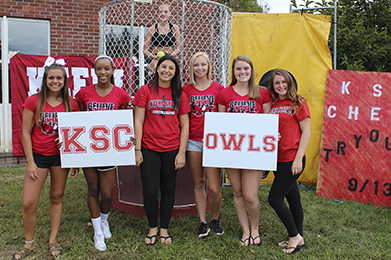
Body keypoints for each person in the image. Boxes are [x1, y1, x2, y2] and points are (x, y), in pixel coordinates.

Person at [14, 57, 79, 260]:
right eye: (51, 78)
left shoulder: (72, 103)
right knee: (28, 203)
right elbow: (25, 132)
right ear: (45, 79)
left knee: (56, 197)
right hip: (39, 157)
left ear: (64, 80)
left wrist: (73, 156)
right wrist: (31, 161)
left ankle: (53, 240)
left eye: (59, 78)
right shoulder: (33, 101)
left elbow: (75, 132)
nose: (55, 81)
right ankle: (29, 243)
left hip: (60, 158)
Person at [75, 55, 131, 251]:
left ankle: (104, 220)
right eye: (99, 69)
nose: (103, 72)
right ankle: (98, 232)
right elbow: (78, 119)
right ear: (95, 71)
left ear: (112, 70)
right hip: (90, 149)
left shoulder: (121, 95)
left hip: (108, 151)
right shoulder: (83, 93)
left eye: (107, 69)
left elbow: (123, 119)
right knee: (93, 189)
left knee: (107, 194)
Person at [133, 54, 189, 245]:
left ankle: (164, 228)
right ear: (156, 69)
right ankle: (152, 227)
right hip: (148, 148)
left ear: (175, 73)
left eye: (171, 68)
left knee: (168, 189)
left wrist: (181, 152)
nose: (166, 71)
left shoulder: (180, 94)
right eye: (163, 67)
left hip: (171, 148)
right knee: (149, 190)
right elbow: (138, 121)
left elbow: (185, 126)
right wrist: (137, 149)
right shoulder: (145, 91)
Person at [217, 55, 272, 246]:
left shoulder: (262, 93)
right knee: (238, 192)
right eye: (238, 69)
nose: (242, 72)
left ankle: (255, 228)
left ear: (251, 71)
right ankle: (245, 230)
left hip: (254, 152)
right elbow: (221, 124)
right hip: (233, 150)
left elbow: (268, 122)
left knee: (250, 195)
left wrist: (272, 136)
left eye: (246, 69)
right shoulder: (225, 93)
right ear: (233, 72)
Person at [268, 69, 311, 255]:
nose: (281, 86)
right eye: (277, 83)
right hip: (277, 159)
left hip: (292, 158)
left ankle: (294, 235)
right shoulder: (272, 104)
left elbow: (307, 132)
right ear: (273, 86)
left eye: (284, 82)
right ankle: (298, 237)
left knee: (274, 199)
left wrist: (298, 159)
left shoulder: (298, 102)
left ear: (290, 83)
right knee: (293, 199)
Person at [182, 52, 224, 238]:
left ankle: (215, 218)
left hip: (213, 142)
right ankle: (203, 222)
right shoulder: (186, 90)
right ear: (191, 68)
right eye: (196, 65)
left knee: (214, 187)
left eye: (203, 64)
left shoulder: (219, 89)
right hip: (194, 141)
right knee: (199, 182)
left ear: (209, 66)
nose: (200, 68)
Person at [144, 4, 181, 74]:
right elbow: (145, 50)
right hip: (156, 58)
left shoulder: (174, 28)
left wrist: (170, 56)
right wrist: (154, 56)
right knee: (157, 68)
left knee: (172, 70)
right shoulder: (151, 29)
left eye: (166, 12)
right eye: (161, 12)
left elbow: (178, 48)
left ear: (170, 14)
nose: (163, 14)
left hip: (169, 57)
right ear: (158, 13)